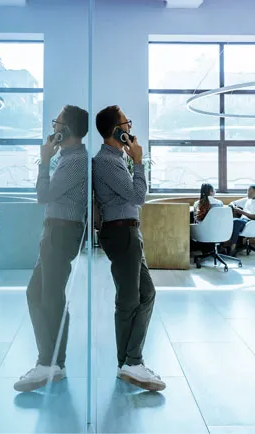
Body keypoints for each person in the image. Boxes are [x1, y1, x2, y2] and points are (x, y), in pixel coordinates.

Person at [14, 105, 89, 392]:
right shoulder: (68, 158)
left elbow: (43, 195)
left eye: (56, 122)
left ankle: (49, 364)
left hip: (61, 231)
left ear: (65, 130)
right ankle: (50, 361)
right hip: (55, 230)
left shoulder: (75, 161)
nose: (53, 126)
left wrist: (44, 161)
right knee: (37, 292)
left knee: (51, 296)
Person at [92, 105, 165, 392]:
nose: (131, 129)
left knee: (146, 293)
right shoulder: (107, 161)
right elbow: (137, 195)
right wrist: (139, 161)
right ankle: (131, 362)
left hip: (129, 231)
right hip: (121, 233)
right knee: (128, 300)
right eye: (126, 124)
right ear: (116, 131)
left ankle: (130, 362)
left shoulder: (116, 158)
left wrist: (131, 159)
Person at [229, 185, 255, 254]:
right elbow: (233, 202)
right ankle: (223, 247)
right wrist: (233, 206)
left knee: (236, 222)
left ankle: (232, 248)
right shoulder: (247, 200)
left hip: (252, 223)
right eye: (247, 191)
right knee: (229, 221)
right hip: (243, 221)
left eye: (250, 192)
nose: (248, 194)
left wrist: (241, 212)